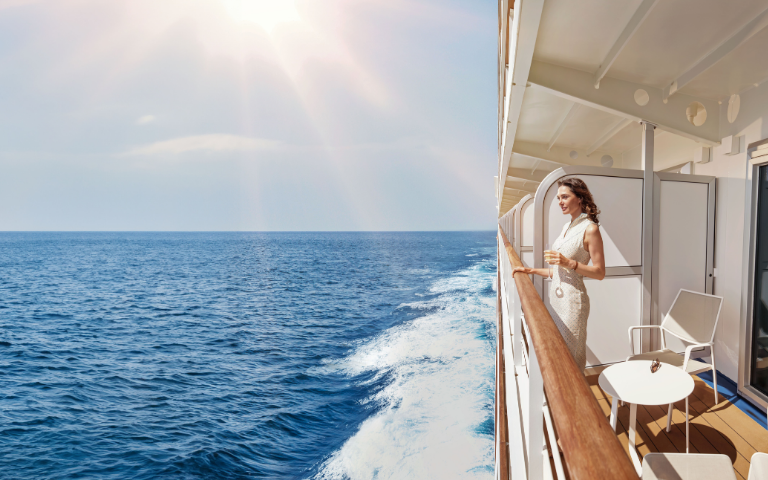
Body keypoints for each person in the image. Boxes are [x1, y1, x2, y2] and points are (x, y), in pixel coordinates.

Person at [512, 178, 605, 371]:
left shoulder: (591, 229)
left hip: (573, 303)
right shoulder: (567, 227)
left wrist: (568, 262)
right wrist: (529, 270)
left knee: (572, 359)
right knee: (560, 355)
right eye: (558, 198)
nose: (560, 202)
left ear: (580, 198)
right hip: (556, 300)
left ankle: (578, 398)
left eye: (565, 197)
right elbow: (559, 272)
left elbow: (599, 272)